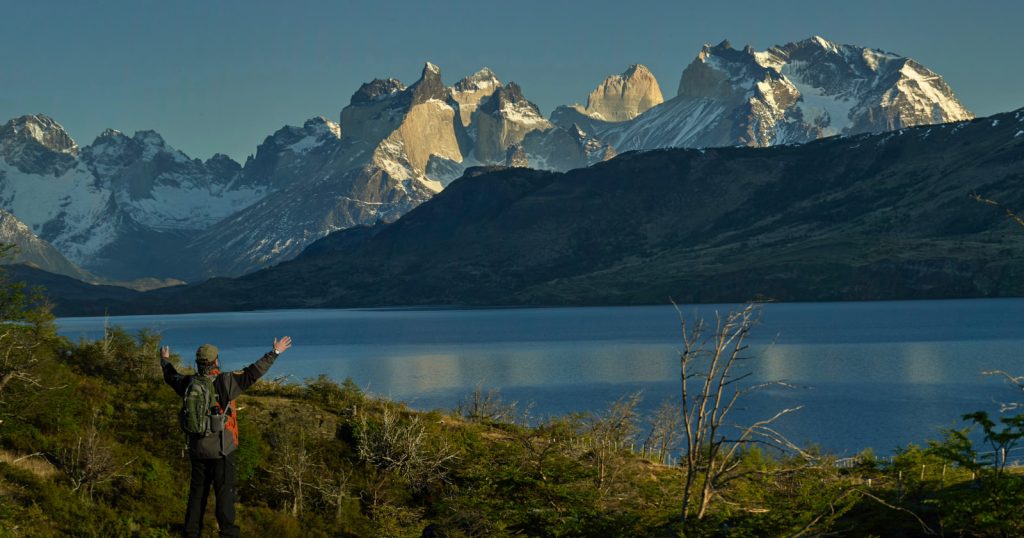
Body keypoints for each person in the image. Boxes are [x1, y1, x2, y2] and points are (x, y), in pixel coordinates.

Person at [160, 336, 292, 538]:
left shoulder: (188, 383)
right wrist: (274, 352)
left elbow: (171, 377)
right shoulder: (226, 381)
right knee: (224, 497)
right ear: (216, 361)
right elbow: (253, 372)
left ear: (198, 363)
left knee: (197, 495)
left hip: (197, 449)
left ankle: (190, 533)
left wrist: (165, 360)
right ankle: (228, 534)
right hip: (222, 451)